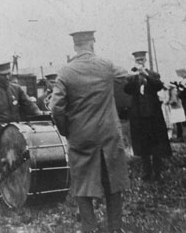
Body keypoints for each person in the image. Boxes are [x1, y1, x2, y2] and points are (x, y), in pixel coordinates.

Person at [50, 31, 128, 233]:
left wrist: (67, 130)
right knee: (113, 182)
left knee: (82, 186)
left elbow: (56, 108)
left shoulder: (65, 72)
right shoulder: (106, 66)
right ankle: (115, 228)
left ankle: (89, 228)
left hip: (81, 137)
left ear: (75, 46)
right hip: (109, 135)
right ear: (92, 44)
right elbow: (127, 78)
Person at [0, 62, 41, 203]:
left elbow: (29, 105)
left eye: (8, 74)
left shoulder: (17, 89)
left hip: (15, 133)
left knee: (17, 163)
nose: (6, 77)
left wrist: (40, 113)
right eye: (3, 75)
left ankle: (15, 194)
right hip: (0, 135)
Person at [124, 51, 172, 182]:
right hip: (139, 115)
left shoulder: (153, 75)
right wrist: (132, 77)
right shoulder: (132, 76)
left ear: (145, 60)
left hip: (153, 115)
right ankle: (146, 172)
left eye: (142, 60)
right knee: (143, 144)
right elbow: (127, 90)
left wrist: (146, 74)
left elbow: (158, 86)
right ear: (135, 61)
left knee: (156, 144)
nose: (140, 62)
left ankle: (157, 172)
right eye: (137, 60)